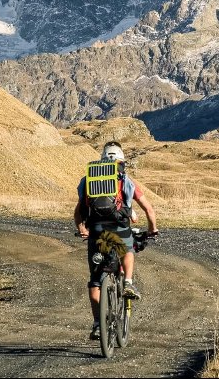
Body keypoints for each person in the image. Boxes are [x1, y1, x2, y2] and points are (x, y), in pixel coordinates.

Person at [74, 140, 158, 341]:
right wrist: (153, 229)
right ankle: (127, 282)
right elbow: (148, 209)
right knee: (127, 249)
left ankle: (97, 324)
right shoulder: (127, 181)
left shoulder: (88, 180)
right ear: (121, 162)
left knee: (95, 281)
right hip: (119, 227)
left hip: (95, 230)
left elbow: (78, 210)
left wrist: (82, 229)